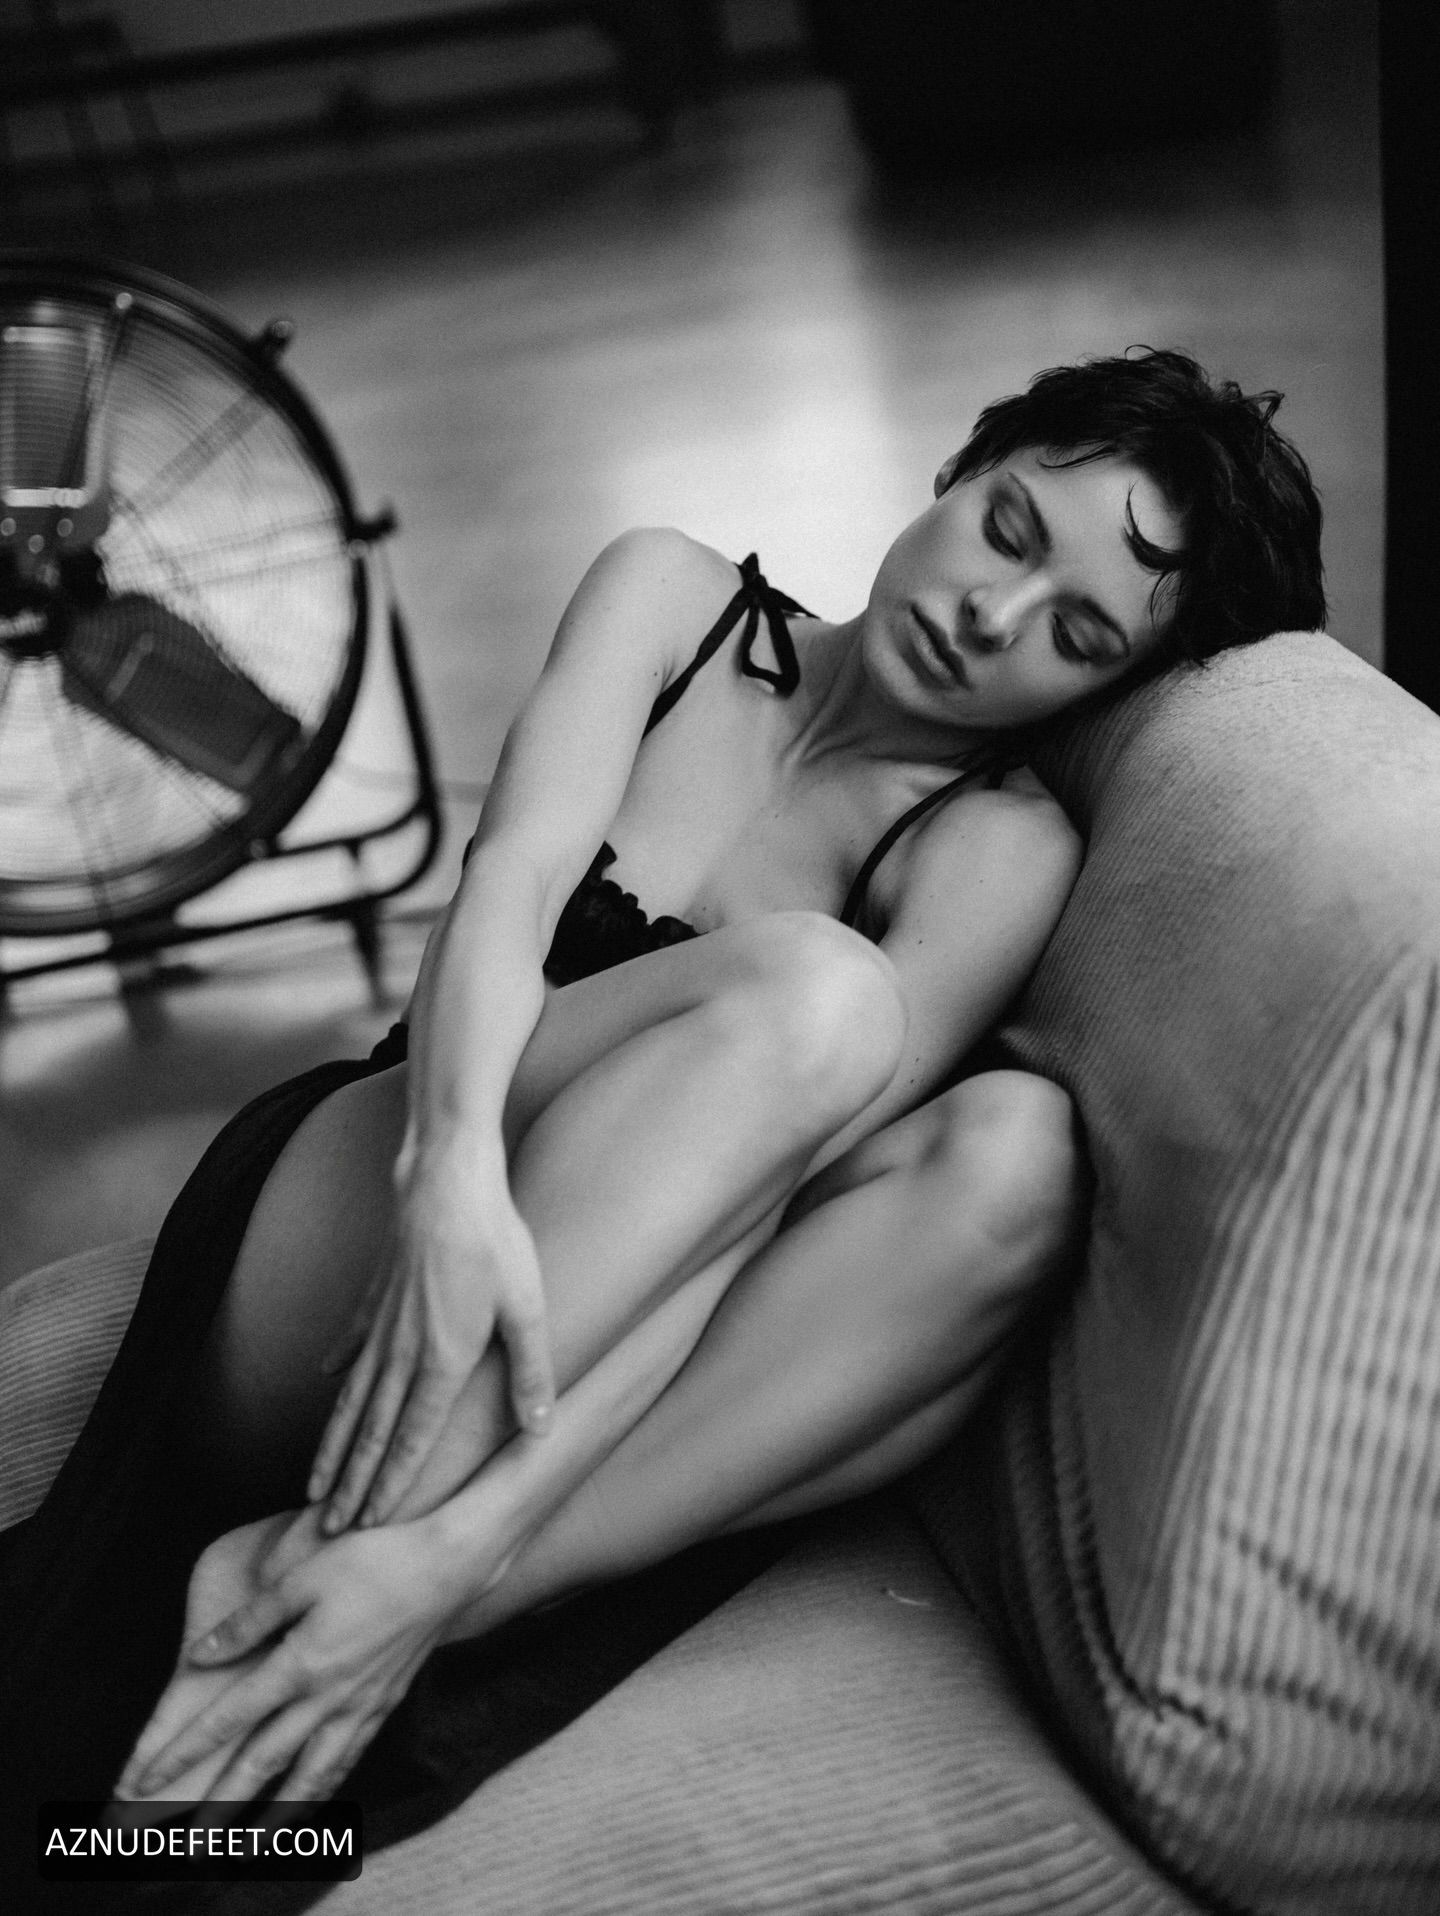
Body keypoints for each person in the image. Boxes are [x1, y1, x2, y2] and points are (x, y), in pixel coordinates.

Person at [1, 350, 1326, 1863]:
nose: (990, 616)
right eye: (1009, 530)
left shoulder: (994, 856)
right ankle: (372, 1584)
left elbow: (739, 1233)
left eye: (1074, 635)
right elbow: (504, 891)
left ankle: (377, 1582)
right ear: (963, 470)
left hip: (576, 1364)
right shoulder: (671, 599)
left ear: (1104, 690)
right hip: (366, 1205)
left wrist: (457, 1552)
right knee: (821, 992)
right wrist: (453, 1180)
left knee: (1013, 1156)